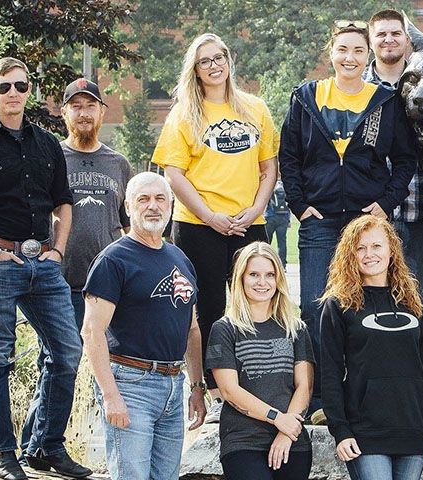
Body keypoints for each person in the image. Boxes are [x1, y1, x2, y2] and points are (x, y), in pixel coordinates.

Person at [0, 57, 89, 480]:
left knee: (66, 352)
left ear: (31, 91)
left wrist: (58, 250)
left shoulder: (47, 144)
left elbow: (63, 200)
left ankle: (46, 447)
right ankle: (3, 453)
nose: (13, 94)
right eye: (5, 86)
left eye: (21, 86)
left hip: (43, 263)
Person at [280, 20, 418, 414]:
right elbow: (288, 156)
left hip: (365, 219)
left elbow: (406, 159)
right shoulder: (307, 97)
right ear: (332, 54)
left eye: (358, 51)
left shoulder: (385, 101)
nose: (350, 58)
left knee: (367, 306)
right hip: (319, 219)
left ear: (367, 55)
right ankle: (320, 397)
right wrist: (298, 204)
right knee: (316, 306)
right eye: (343, 50)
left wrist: (385, 203)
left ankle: (362, 396)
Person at [152, 33, 279, 422]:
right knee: (206, 307)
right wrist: (209, 215)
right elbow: (173, 173)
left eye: (219, 57)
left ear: (229, 61)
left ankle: (259, 378)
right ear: (195, 68)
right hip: (199, 224)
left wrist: (257, 207)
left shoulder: (255, 108)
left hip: (247, 223)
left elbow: (269, 166)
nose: (213, 65)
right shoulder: (184, 114)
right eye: (205, 60)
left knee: (256, 300)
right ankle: (209, 384)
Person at [20, 77, 134, 457]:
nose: (83, 113)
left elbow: (127, 224)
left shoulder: (119, 163)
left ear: (102, 111)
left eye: (90, 106)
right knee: (57, 364)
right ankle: (39, 446)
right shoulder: (51, 158)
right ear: (64, 112)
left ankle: (37, 447)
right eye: (76, 106)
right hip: (60, 283)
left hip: (107, 288)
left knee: (108, 368)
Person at [82, 172, 207, 480]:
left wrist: (196, 387)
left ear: (171, 206)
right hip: (130, 385)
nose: (153, 206)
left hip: (172, 385)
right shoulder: (113, 260)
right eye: (143, 199)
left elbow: (191, 328)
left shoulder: (180, 259)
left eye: (160, 199)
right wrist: (111, 395)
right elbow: (92, 331)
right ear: (128, 207)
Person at [319, 215, 423, 480]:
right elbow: (330, 374)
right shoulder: (338, 305)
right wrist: (340, 431)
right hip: (366, 431)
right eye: (360, 248)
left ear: (391, 250)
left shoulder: (413, 303)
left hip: (413, 428)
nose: (369, 254)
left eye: (376, 246)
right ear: (350, 254)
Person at [207, 242, 315, 480]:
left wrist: (287, 431)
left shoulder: (295, 328)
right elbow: (229, 391)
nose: (262, 282)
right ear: (241, 278)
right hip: (244, 440)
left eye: (269, 275)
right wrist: (278, 419)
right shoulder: (225, 329)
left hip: (291, 439)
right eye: (254, 274)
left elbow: (304, 386)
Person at [361, 9, 423, 309]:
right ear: (371, 41)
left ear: (408, 40)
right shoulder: (358, 88)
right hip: (369, 212)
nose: (388, 40)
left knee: (417, 305)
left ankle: (417, 358)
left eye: (396, 33)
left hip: (419, 208)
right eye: (381, 34)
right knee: (368, 303)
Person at [265, 179, 292, 265]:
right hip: (283, 217)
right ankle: (282, 264)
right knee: (282, 242)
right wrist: (289, 219)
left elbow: (265, 201)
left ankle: (266, 262)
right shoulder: (285, 186)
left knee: (267, 242)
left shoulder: (270, 184)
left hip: (270, 216)